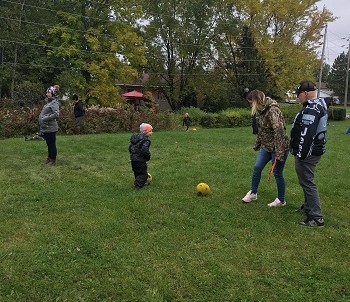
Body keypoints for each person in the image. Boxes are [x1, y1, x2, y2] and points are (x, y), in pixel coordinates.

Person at [242, 90, 290, 207]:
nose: (250, 105)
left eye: (250, 103)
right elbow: (261, 130)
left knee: (277, 172)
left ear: (256, 101)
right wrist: (258, 144)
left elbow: (279, 132)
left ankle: (281, 200)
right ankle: (253, 193)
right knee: (257, 167)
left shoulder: (273, 111)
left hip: (278, 147)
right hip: (266, 147)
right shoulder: (260, 111)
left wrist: (279, 152)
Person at [290, 81, 328, 227]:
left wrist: (301, 154)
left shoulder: (312, 108)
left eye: (298, 95)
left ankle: (316, 217)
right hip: (314, 150)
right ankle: (307, 207)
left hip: (308, 152)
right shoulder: (319, 104)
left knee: (307, 182)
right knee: (306, 180)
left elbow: (307, 134)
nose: (298, 98)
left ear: (305, 93)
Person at [38, 85, 60, 165]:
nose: (46, 93)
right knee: (48, 144)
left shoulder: (54, 103)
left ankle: (53, 159)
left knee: (51, 144)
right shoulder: (48, 102)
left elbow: (56, 114)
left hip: (51, 127)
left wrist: (45, 118)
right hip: (46, 127)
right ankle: (49, 158)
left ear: (52, 94)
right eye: (47, 92)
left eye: (48, 92)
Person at [129, 123, 153, 189]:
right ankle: (137, 185)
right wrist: (148, 156)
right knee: (143, 173)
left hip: (133, 159)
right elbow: (144, 150)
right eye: (150, 131)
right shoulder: (146, 140)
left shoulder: (135, 139)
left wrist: (132, 155)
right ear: (146, 132)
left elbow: (130, 148)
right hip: (140, 159)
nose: (152, 133)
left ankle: (143, 182)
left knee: (137, 172)